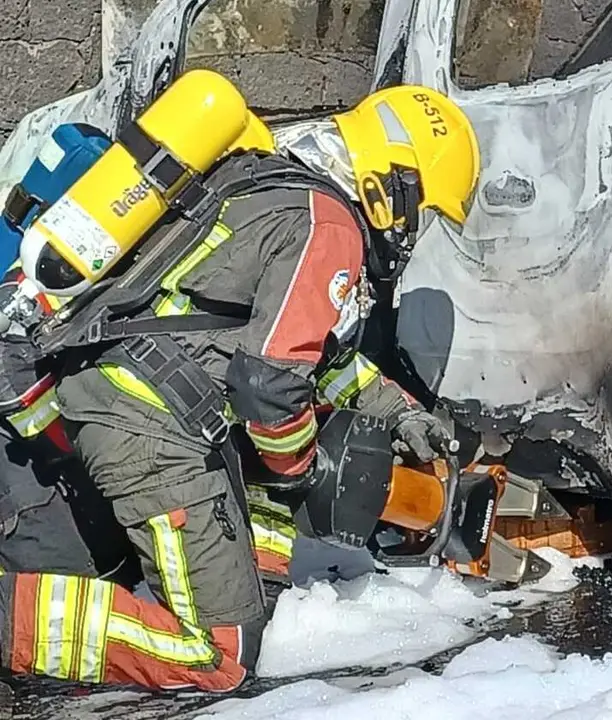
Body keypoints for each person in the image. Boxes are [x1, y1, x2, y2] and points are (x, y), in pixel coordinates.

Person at [0, 80, 482, 692]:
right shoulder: (330, 223)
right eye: (425, 211)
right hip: (150, 423)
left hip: (115, 392)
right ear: (397, 184)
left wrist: (402, 412)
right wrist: (303, 469)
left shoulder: (259, 183)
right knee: (218, 655)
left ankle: (255, 589)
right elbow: (269, 388)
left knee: (270, 459)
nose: (413, 231)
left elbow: (313, 356)